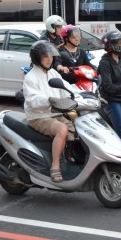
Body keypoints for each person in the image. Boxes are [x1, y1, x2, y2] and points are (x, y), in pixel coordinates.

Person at [23, 41, 77, 183]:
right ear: (37, 58)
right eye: (45, 56)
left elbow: (66, 88)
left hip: (55, 113)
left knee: (80, 126)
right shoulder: (31, 77)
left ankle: (71, 158)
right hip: (39, 116)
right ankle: (55, 166)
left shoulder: (53, 73)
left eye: (51, 56)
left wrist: (85, 94)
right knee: (62, 129)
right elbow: (33, 100)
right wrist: (49, 100)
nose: (49, 59)